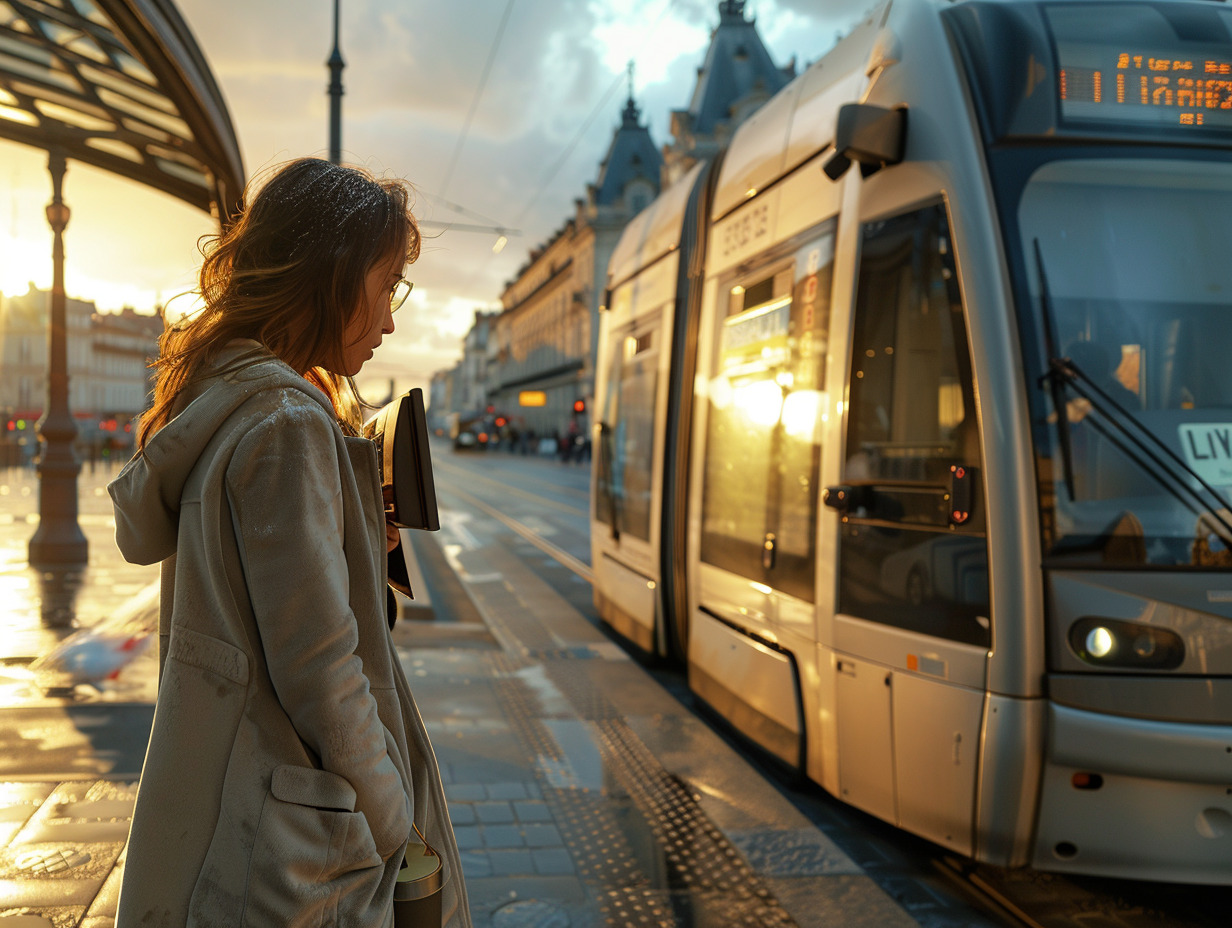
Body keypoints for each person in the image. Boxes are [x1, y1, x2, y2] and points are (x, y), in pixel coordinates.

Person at [107, 158, 472, 927]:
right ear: (331, 278)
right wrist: (395, 827)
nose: (390, 319)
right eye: (385, 288)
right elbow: (322, 670)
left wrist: (359, 540)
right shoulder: (288, 427)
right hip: (291, 855)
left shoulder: (225, 404)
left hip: (237, 810)